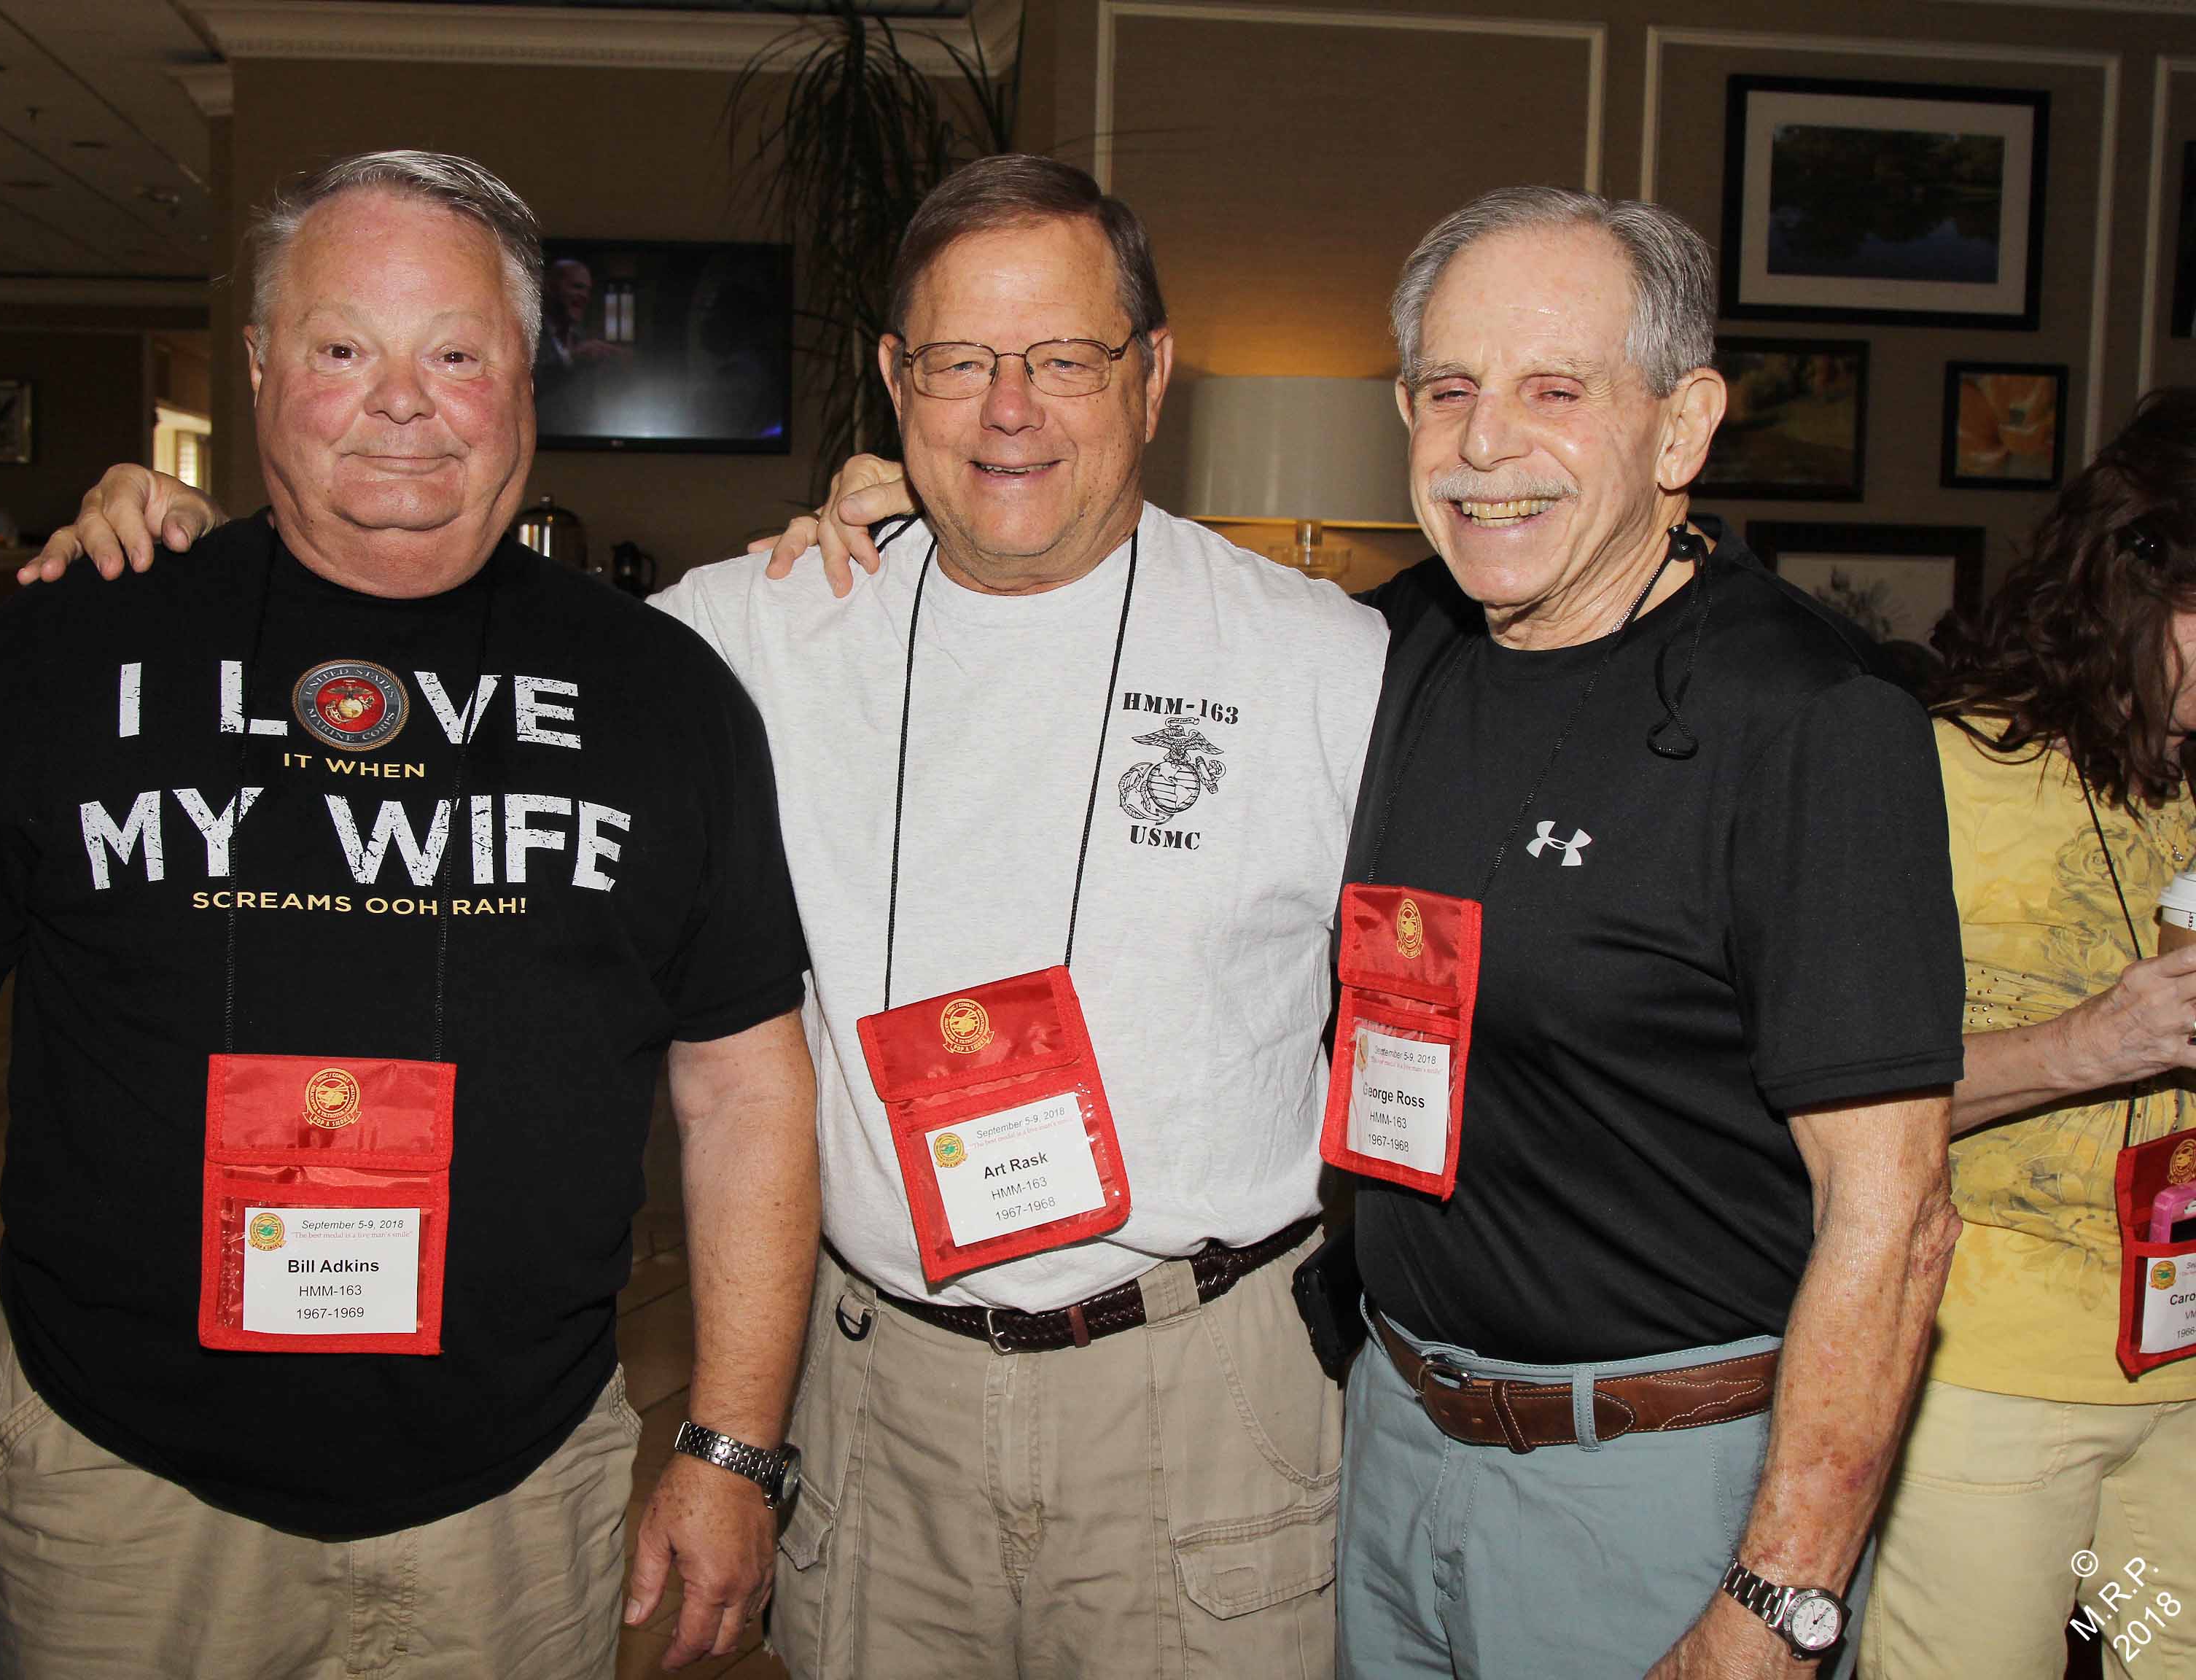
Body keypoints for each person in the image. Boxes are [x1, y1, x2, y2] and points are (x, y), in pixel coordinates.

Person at [31, 152, 1387, 1677]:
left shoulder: (1330, 664)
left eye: (1066, 358)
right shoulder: (748, 631)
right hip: (879, 1396)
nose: (1010, 409)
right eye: (960, 361)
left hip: (1201, 1393)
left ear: (1152, 374)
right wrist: (184, 544)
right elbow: (420, 618)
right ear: (895, 381)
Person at [766, 187, 1967, 1679]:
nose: (1485, 443)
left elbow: (1896, 1216)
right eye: (1448, 389)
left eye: (1555, 390)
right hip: (1392, 1442)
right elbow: (1106, 624)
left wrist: (1779, 1600)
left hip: (1659, 1480)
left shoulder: (1808, 720)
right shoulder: (1389, 652)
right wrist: (916, 504)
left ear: (1683, 427)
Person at [0, 149, 817, 1680]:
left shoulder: (664, 695)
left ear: (529, 378)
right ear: (259, 365)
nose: (403, 403)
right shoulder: (71, 645)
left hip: (515, 1500)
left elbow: (745, 1088)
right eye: (342, 349)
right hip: (125, 1488)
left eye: (457, 353)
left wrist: (732, 1446)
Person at [1856, 388, 2196, 1680]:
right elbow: (1830, 1096)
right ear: (2133, 577)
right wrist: (2089, 1042)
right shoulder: (1937, 770)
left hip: (2181, 1379)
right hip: (1988, 1389)